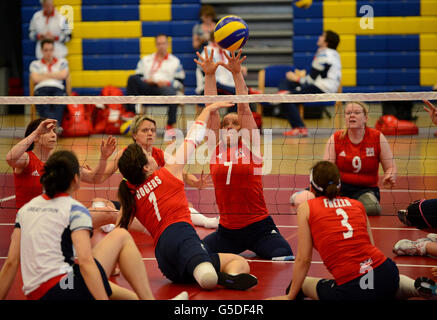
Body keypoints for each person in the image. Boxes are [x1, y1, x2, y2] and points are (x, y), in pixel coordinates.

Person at [0, 150, 188, 300]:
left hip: (36, 294)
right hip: (64, 290)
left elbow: (11, 263)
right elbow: (86, 262)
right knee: (120, 236)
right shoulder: (75, 210)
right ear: (75, 179)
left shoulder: (26, 210)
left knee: (98, 282)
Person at [116, 102, 258, 291]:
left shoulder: (131, 194)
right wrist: (207, 111)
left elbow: (119, 229)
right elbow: (192, 138)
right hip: (180, 234)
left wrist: (113, 264)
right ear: (146, 167)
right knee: (206, 276)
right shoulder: (168, 172)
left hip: (166, 262)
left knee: (239, 262)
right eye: (146, 154)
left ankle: (226, 276)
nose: (151, 154)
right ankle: (213, 275)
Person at [268, 161, 436, 300]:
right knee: (381, 284)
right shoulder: (357, 204)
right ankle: (413, 287)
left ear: (311, 188)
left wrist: (290, 296)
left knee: (301, 285)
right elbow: (371, 245)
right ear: (339, 185)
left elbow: (304, 260)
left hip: (354, 287)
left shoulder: (307, 208)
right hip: (386, 271)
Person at [194, 48, 293, 260]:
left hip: (259, 228)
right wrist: (209, 75)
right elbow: (210, 108)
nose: (229, 126)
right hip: (228, 232)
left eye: (234, 123)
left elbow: (244, 108)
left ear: (242, 129)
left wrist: (236, 74)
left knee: (283, 255)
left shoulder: (251, 144)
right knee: (197, 253)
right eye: (225, 123)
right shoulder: (214, 147)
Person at [91, 115, 219, 230]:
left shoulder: (159, 154)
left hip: (149, 205)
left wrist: (196, 182)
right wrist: (100, 163)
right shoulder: (125, 154)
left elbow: (183, 172)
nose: (150, 133)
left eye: (152, 130)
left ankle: (207, 221)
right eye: (145, 130)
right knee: (99, 201)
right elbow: (101, 177)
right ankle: (112, 224)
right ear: (134, 135)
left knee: (183, 205)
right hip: (133, 202)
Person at [5, 118, 119, 229]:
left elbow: (94, 178)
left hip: (57, 219)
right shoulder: (27, 159)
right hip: (32, 223)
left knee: (106, 208)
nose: (53, 135)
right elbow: (10, 158)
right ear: (36, 137)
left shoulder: (61, 162)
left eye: (54, 131)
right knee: (107, 213)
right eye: (47, 131)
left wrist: (103, 158)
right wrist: (36, 132)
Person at [291, 101, 397, 216]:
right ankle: (300, 194)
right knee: (302, 200)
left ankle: (342, 204)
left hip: (364, 189)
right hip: (336, 188)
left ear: (365, 118)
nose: (352, 115)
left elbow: (390, 166)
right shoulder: (336, 138)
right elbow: (326, 170)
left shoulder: (377, 137)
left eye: (356, 112)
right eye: (348, 113)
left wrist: (390, 175)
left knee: (372, 209)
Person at [279, 30, 341, 137]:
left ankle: (300, 128)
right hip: (327, 87)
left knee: (286, 98)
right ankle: (283, 93)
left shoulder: (324, 54)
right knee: (288, 84)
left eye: (322, 36)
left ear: (326, 42)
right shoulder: (334, 54)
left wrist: (297, 78)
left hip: (321, 88)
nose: (319, 37)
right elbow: (317, 75)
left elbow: (312, 79)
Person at [126, 34, 185, 136]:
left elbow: (180, 81)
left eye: (163, 43)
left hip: (165, 89)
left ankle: (170, 125)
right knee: (132, 79)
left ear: (168, 44)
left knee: (173, 93)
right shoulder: (146, 60)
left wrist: (166, 83)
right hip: (147, 87)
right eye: (159, 44)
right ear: (156, 45)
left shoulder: (175, 61)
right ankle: (132, 113)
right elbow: (138, 75)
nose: (161, 46)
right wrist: (146, 80)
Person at [195, 32, 248, 114]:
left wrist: (240, 69)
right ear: (214, 40)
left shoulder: (227, 51)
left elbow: (230, 66)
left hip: (226, 84)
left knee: (239, 94)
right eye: (220, 39)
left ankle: (230, 120)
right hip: (213, 84)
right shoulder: (208, 51)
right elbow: (204, 71)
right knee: (236, 94)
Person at [30, 39, 70, 129]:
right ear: (41, 51)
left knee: (60, 101)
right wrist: (56, 75)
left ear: (54, 50)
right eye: (46, 50)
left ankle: (53, 127)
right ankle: (51, 127)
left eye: (51, 50)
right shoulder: (35, 64)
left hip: (58, 88)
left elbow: (63, 75)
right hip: (41, 89)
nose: (49, 53)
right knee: (43, 104)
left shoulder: (62, 62)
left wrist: (43, 75)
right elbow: (35, 78)